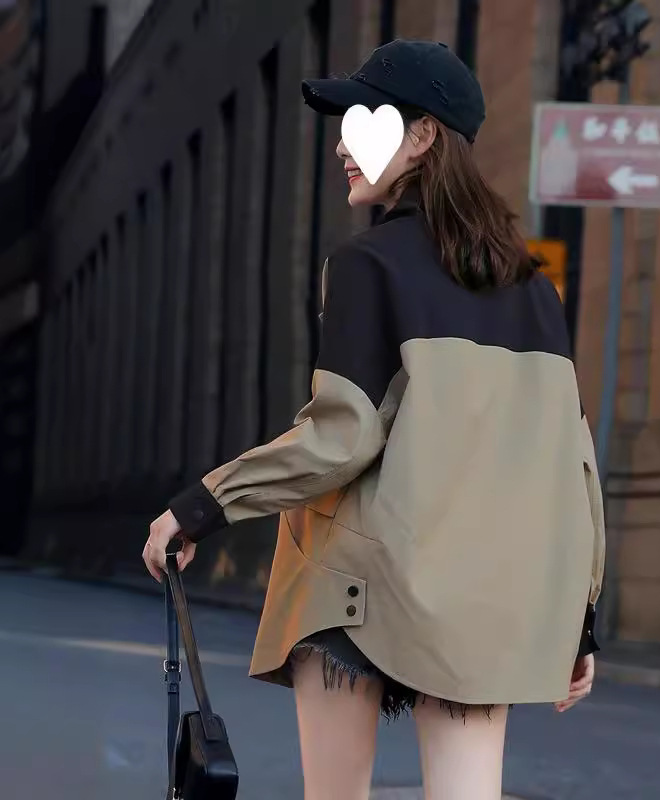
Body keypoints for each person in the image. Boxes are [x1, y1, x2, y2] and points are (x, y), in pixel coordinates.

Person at [143, 38, 605, 800]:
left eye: (364, 121)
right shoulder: (535, 290)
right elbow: (576, 468)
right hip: (481, 600)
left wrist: (200, 506)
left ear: (421, 136)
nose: (341, 145)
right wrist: (581, 618)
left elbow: (341, 437)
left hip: (353, 593)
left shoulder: (368, 265)